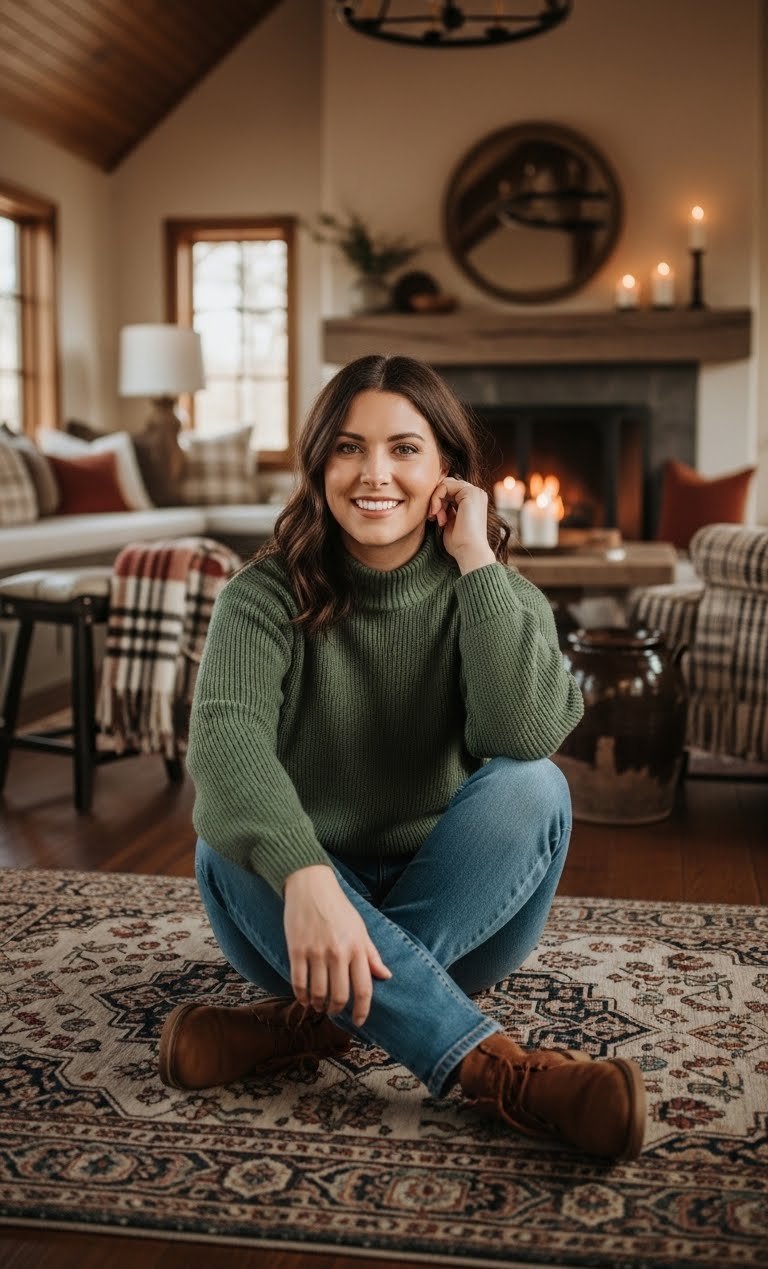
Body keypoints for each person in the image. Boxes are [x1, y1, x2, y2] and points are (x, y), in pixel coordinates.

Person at [158, 354, 646, 1161]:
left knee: (536, 786)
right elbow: (226, 745)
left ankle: (306, 1025)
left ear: (448, 471)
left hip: (465, 908)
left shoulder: (495, 590)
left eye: (404, 449)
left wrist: (475, 561)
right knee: (229, 830)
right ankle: (508, 1075)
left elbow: (524, 732)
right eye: (348, 447)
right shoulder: (262, 596)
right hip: (296, 918)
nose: (373, 473)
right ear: (318, 464)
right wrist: (308, 875)